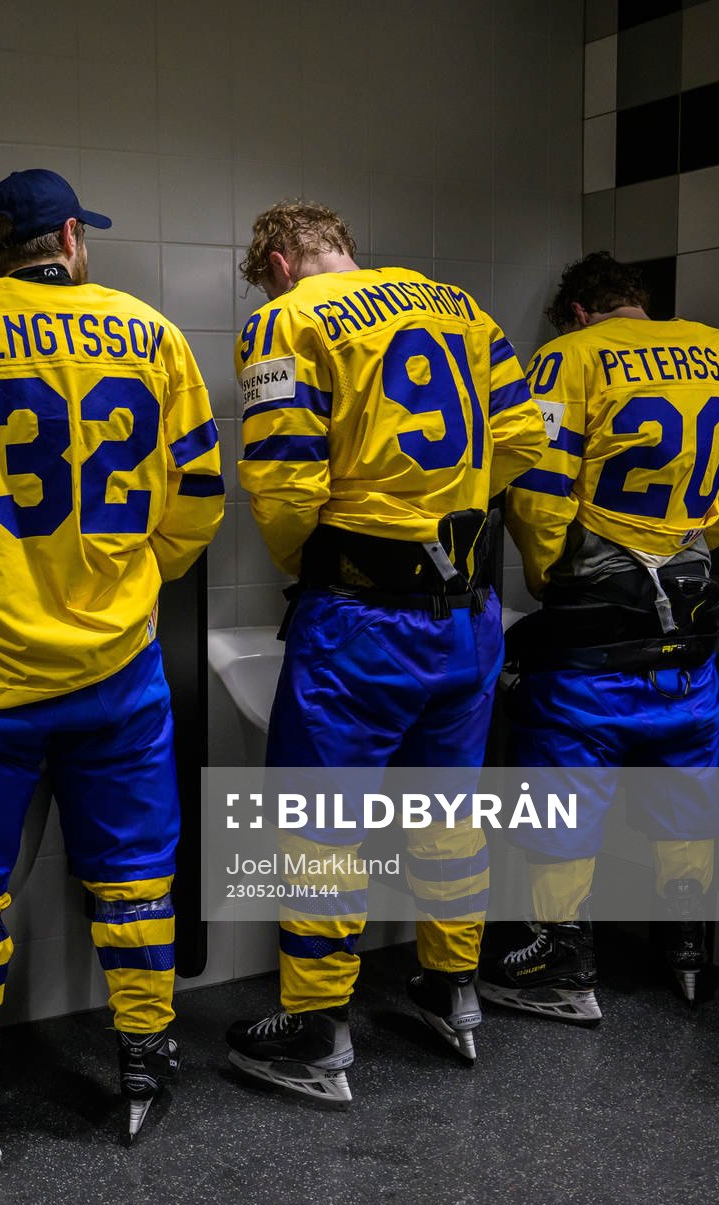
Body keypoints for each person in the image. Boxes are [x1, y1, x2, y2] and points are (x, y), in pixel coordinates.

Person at [0, 169, 225, 1157]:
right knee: (139, 874)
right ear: (70, 236)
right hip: (119, 675)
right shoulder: (158, 338)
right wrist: (129, 578)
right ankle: (149, 1059)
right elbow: (197, 501)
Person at [228, 202, 548, 1099]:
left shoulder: (286, 321)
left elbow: (285, 481)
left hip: (362, 619)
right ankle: (455, 993)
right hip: (469, 615)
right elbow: (525, 438)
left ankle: (321, 1031)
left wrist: (323, 560)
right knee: (450, 815)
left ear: (283, 263)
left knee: (320, 830)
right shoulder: (461, 308)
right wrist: (446, 515)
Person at [484, 252, 719, 1017]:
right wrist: (689, 543)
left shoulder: (567, 357)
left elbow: (541, 491)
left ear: (579, 311)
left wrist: (555, 575)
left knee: (562, 802)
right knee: (685, 793)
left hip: (594, 646)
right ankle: (685, 955)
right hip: (688, 644)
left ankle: (562, 963)